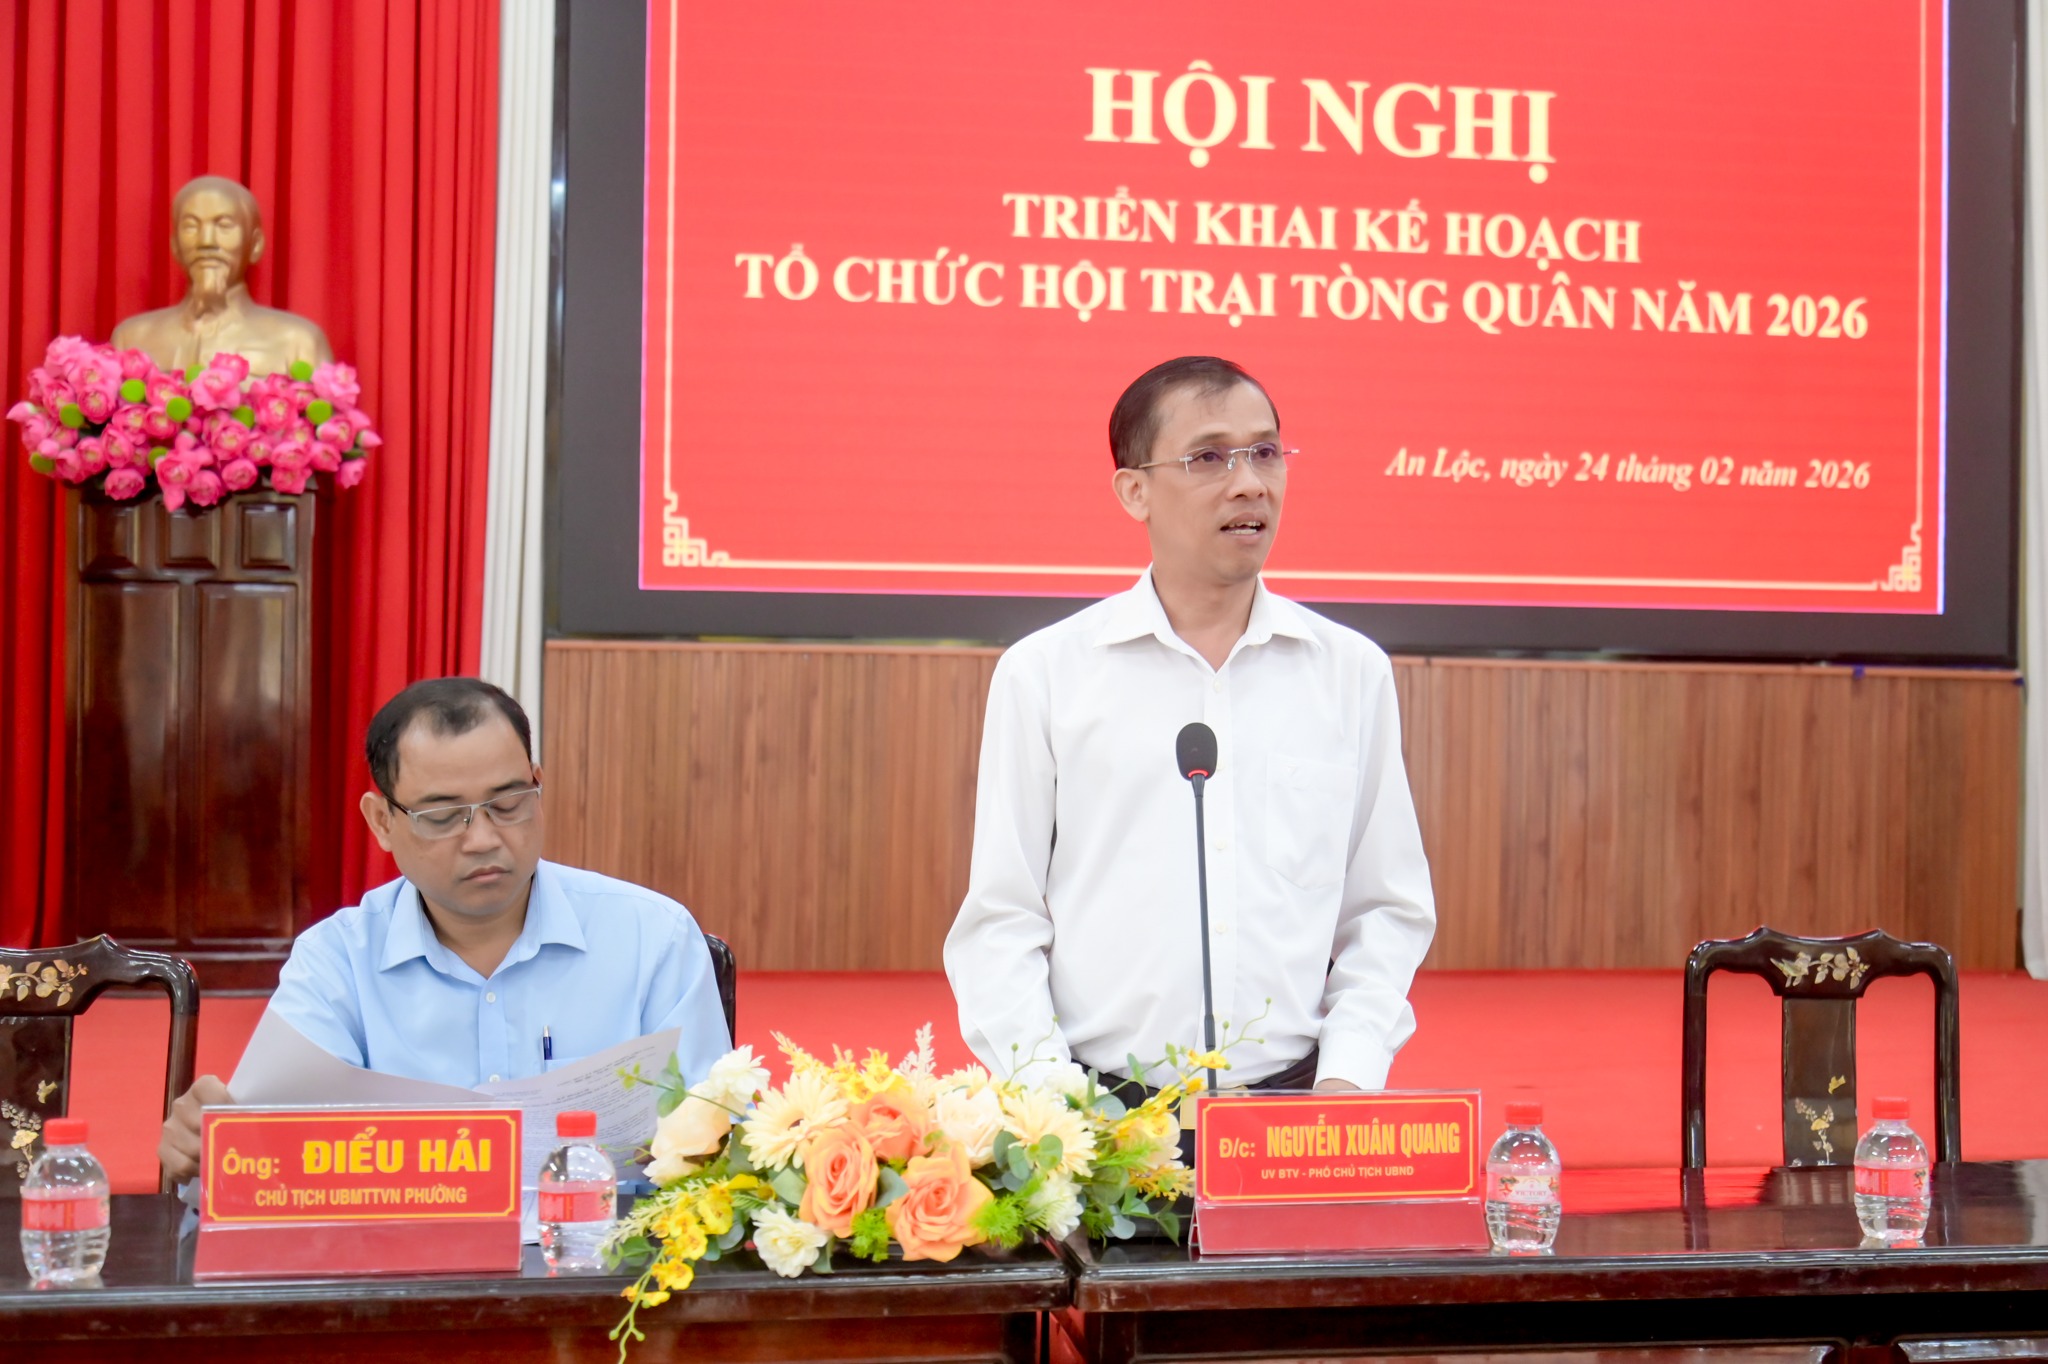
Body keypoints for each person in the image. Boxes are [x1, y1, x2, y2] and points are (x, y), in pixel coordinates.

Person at [944, 356, 1435, 1102]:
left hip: (1297, 1109)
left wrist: (1348, 1075)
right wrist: (1056, 1109)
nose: (1250, 483)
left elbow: (1385, 910)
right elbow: (1001, 922)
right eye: (1209, 458)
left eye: (1265, 452)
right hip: (1097, 1120)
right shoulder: (1045, 674)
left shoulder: (1348, 672)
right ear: (1134, 491)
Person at [158, 677, 730, 1180]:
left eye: (508, 803)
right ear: (382, 822)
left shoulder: (652, 938)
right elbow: (274, 1149)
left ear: (538, 786)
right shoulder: (339, 960)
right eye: (441, 815)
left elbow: (719, 1143)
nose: (482, 838)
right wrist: (208, 1144)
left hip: (605, 1255)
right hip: (407, 1260)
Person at [111, 174, 333, 375]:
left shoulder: (299, 342)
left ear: (255, 244)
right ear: (175, 245)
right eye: (191, 226)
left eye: (224, 226)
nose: (206, 241)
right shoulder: (132, 339)